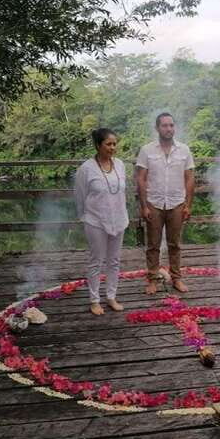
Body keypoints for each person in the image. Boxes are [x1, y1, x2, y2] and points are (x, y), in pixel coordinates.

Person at [136, 112, 195, 295]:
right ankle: (153, 279)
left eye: (171, 125)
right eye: (164, 125)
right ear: (157, 128)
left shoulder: (184, 150)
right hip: (154, 202)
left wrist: (188, 205)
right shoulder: (147, 150)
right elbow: (141, 179)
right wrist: (144, 206)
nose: (169, 129)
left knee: (175, 244)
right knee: (153, 244)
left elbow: (190, 178)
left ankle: (176, 278)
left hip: (177, 202)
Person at [74, 128, 129, 316]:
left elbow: (122, 192)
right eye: (108, 144)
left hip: (118, 219)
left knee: (114, 261)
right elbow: (79, 196)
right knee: (96, 261)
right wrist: (84, 217)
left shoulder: (120, 165)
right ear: (98, 146)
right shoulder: (86, 168)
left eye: (114, 144)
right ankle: (94, 300)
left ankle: (111, 296)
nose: (113, 147)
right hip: (95, 220)